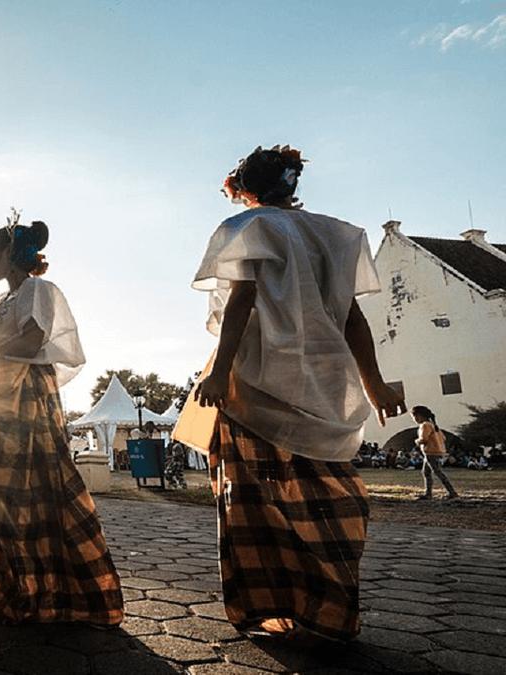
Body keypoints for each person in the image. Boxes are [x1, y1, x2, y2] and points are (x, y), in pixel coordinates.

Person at [192, 145, 406, 642]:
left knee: (254, 496)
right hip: (325, 379)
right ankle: (329, 610)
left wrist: (219, 370)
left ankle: (278, 607)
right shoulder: (336, 235)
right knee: (325, 490)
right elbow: (353, 317)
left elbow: (241, 300)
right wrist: (372, 384)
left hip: (257, 376)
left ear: (241, 188)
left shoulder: (249, 227)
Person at [0, 214, 125, 626]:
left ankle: (45, 591)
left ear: (10, 254)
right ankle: (3, 585)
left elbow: (29, 342)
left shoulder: (36, 290)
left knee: (30, 487)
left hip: (26, 397)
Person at [412, 406, 458, 500]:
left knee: (437, 472)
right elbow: (443, 438)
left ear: (418, 416)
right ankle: (428, 493)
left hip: (430, 452)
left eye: (414, 416)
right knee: (426, 472)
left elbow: (424, 439)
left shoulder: (425, 425)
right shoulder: (433, 425)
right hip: (435, 452)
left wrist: (417, 441)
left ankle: (452, 492)